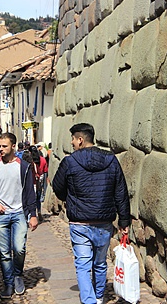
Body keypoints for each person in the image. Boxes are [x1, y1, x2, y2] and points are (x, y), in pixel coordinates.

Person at [52, 123, 131, 304]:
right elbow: (121, 192)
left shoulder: (70, 162)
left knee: (82, 264)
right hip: (103, 221)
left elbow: (57, 187)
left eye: (73, 139)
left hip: (79, 222)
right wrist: (124, 221)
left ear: (80, 140)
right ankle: (98, 297)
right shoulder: (111, 160)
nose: (71, 143)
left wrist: (69, 197)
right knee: (100, 263)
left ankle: (89, 301)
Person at [0, 133, 38, 298]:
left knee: (19, 248)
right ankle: (8, 283)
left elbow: (29, 191)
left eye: (4, 146)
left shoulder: (24, 166)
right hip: (0, 215)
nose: (1, 149)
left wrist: (33, 214)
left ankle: (18, 275)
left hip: (19, 213)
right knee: (4, 252)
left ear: (13, 146)